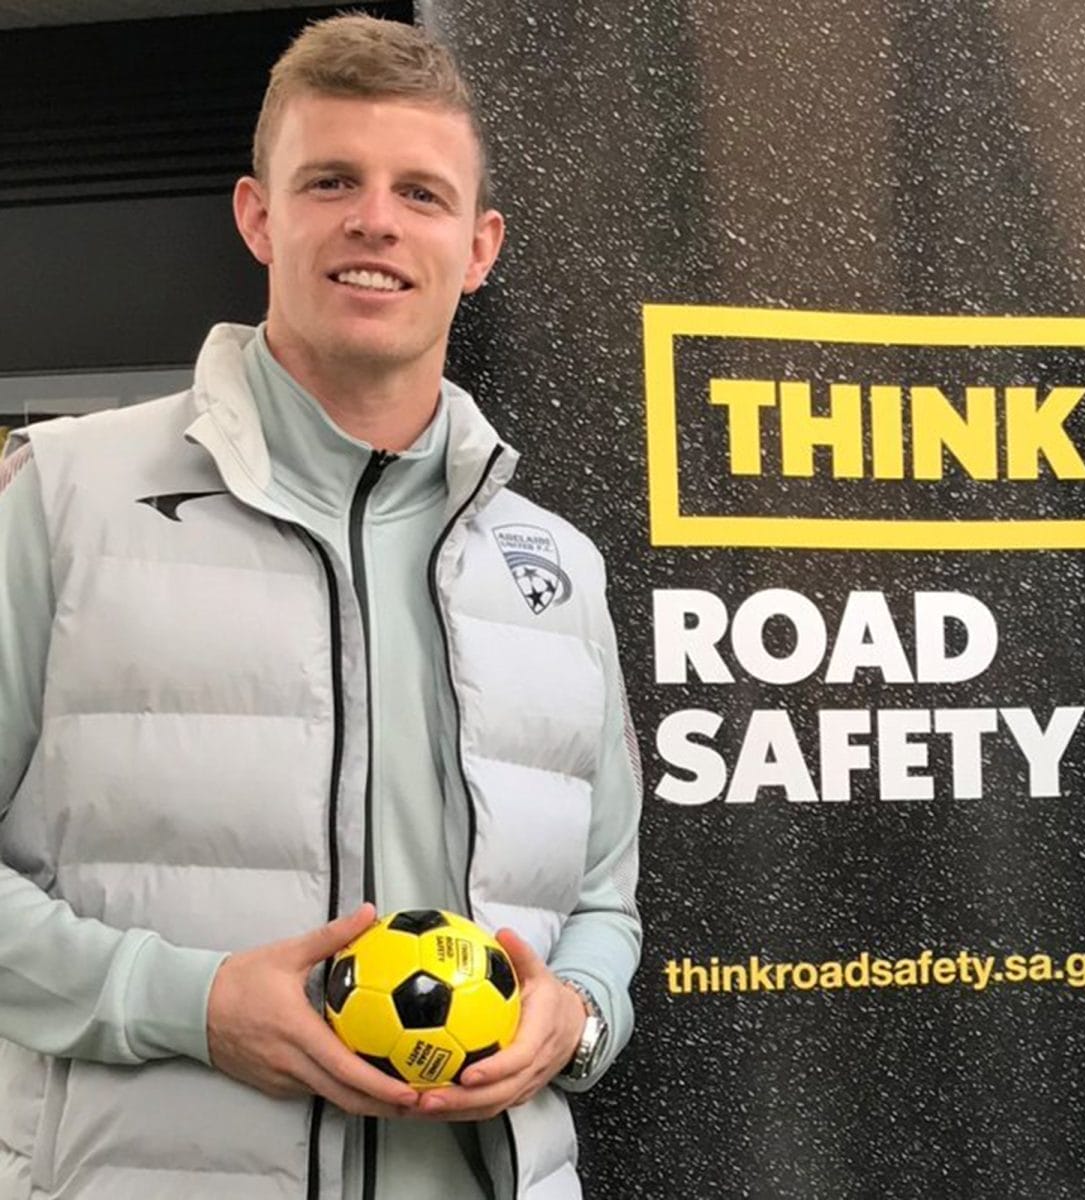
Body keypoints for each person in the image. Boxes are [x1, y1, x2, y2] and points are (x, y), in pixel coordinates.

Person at [0, 15, 640, 1199]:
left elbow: (604, 904)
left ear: (479, 246)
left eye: (420, 193)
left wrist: (579, 1015)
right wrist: (183, 1002)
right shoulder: (62, 499)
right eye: (332, 181)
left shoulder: (555, 567)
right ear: (259, 216)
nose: (375, 222)